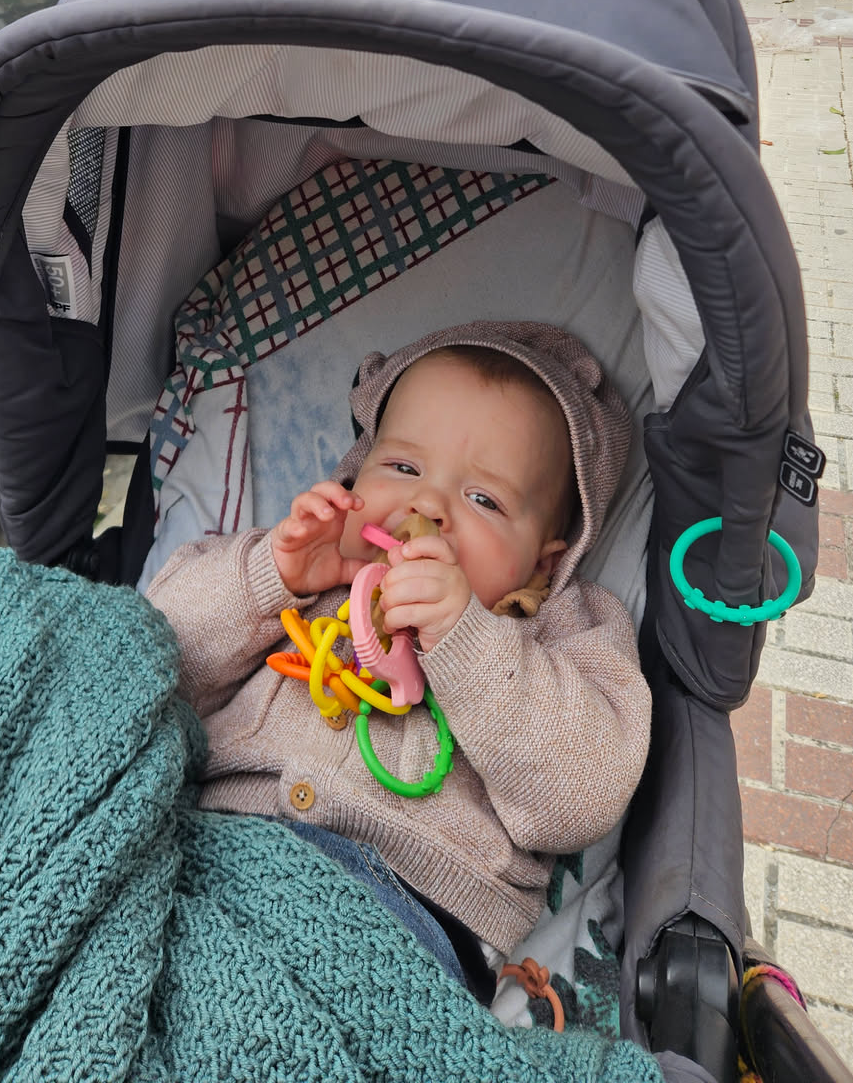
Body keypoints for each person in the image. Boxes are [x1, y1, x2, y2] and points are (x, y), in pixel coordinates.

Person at [147, 324, 650, 993]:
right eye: (404, 469)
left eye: (484, 500)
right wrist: (271, 575)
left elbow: (583, 794)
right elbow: (150, 661)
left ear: (543, 561)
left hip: (396, 918)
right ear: (356, 470)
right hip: (208, 851)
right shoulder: (302, 564)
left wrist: (465, 640)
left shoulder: (561, 630)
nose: (427, 505)